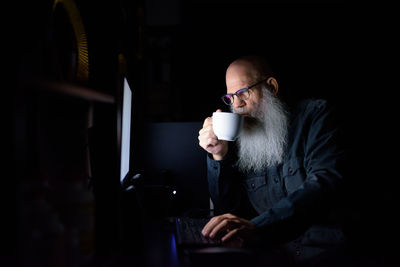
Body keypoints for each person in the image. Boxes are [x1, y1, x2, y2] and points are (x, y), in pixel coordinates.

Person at [198, 55, 348, 266]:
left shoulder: (316, 115)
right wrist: (218, 154)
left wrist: (260, 228)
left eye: (243, 93)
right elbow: (229, 211)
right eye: (230, 97)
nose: (237, 105)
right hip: (273, 256)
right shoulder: (244, 138)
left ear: (271, 87)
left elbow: (324, 184)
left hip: (327, 255)